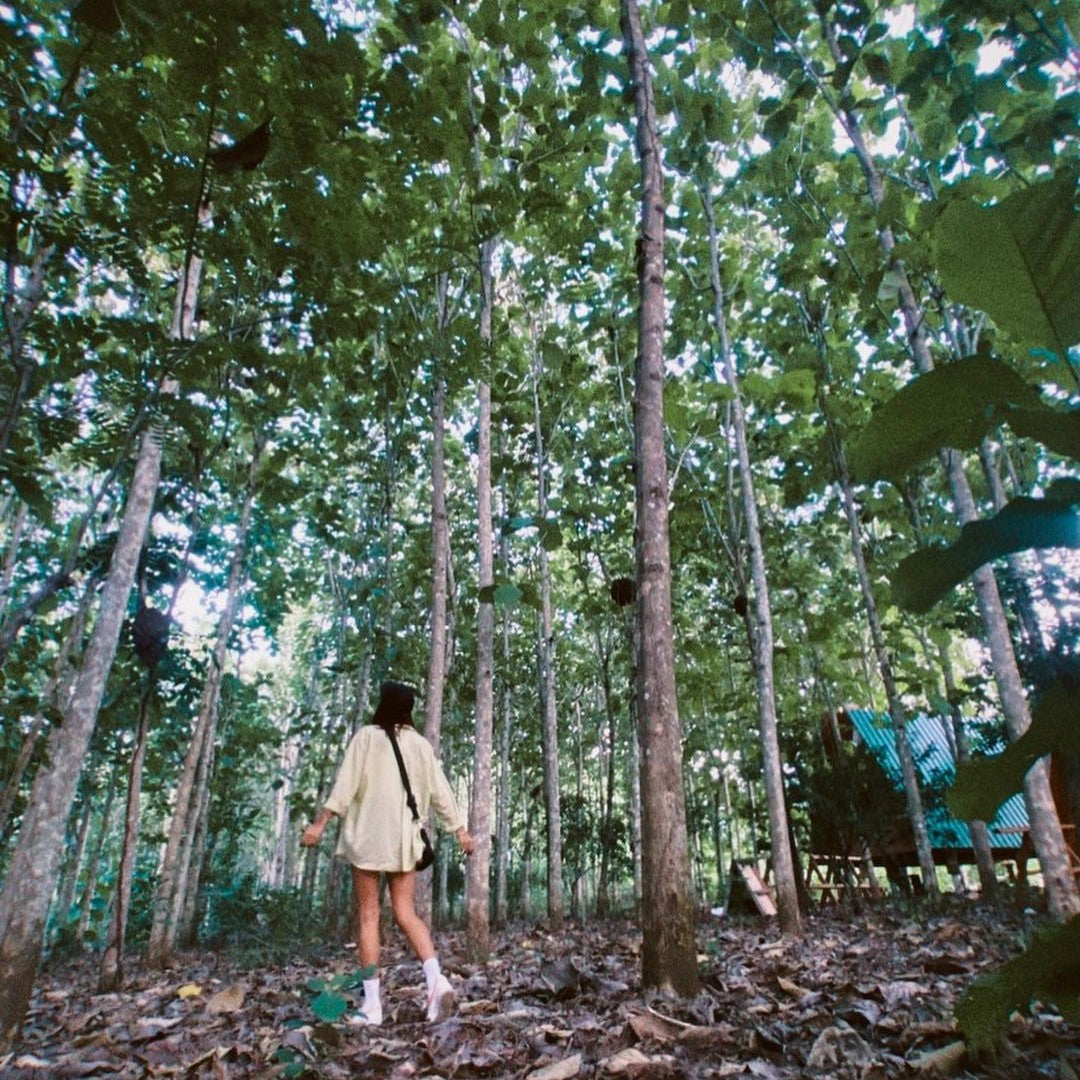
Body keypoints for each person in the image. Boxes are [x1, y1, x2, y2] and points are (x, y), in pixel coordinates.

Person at [301, 680, 474, 1026]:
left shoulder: (366, 737)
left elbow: (345, 786)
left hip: (367, 839)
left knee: (368, 916)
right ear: (408, 710)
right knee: (406, 914)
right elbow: (442, 792)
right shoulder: (421, 745)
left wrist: (319, 824)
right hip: (403, 841)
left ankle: (373, 1007)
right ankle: (436, 980)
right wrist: (460, 831)